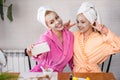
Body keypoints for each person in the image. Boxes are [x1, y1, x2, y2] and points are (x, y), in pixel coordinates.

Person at [73, 1, 120, 72]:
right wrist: (63, 31)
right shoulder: (74, 35)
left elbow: (118, 45)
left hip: (94, 74)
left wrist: (106, 32)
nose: (79, 25)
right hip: (77, 74)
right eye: (77, 22)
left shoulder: (101, 39)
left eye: (82, 22)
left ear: (91, 22)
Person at [26, 6, 74, 72]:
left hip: (58, 75)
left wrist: (76, 72)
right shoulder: (46, 38)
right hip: (42, 73)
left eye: (57, 17)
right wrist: (30, 50)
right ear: (48, 26)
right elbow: (37, 53)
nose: (57, 22)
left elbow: (72, 60)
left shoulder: (70, 35)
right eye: (52, 22)